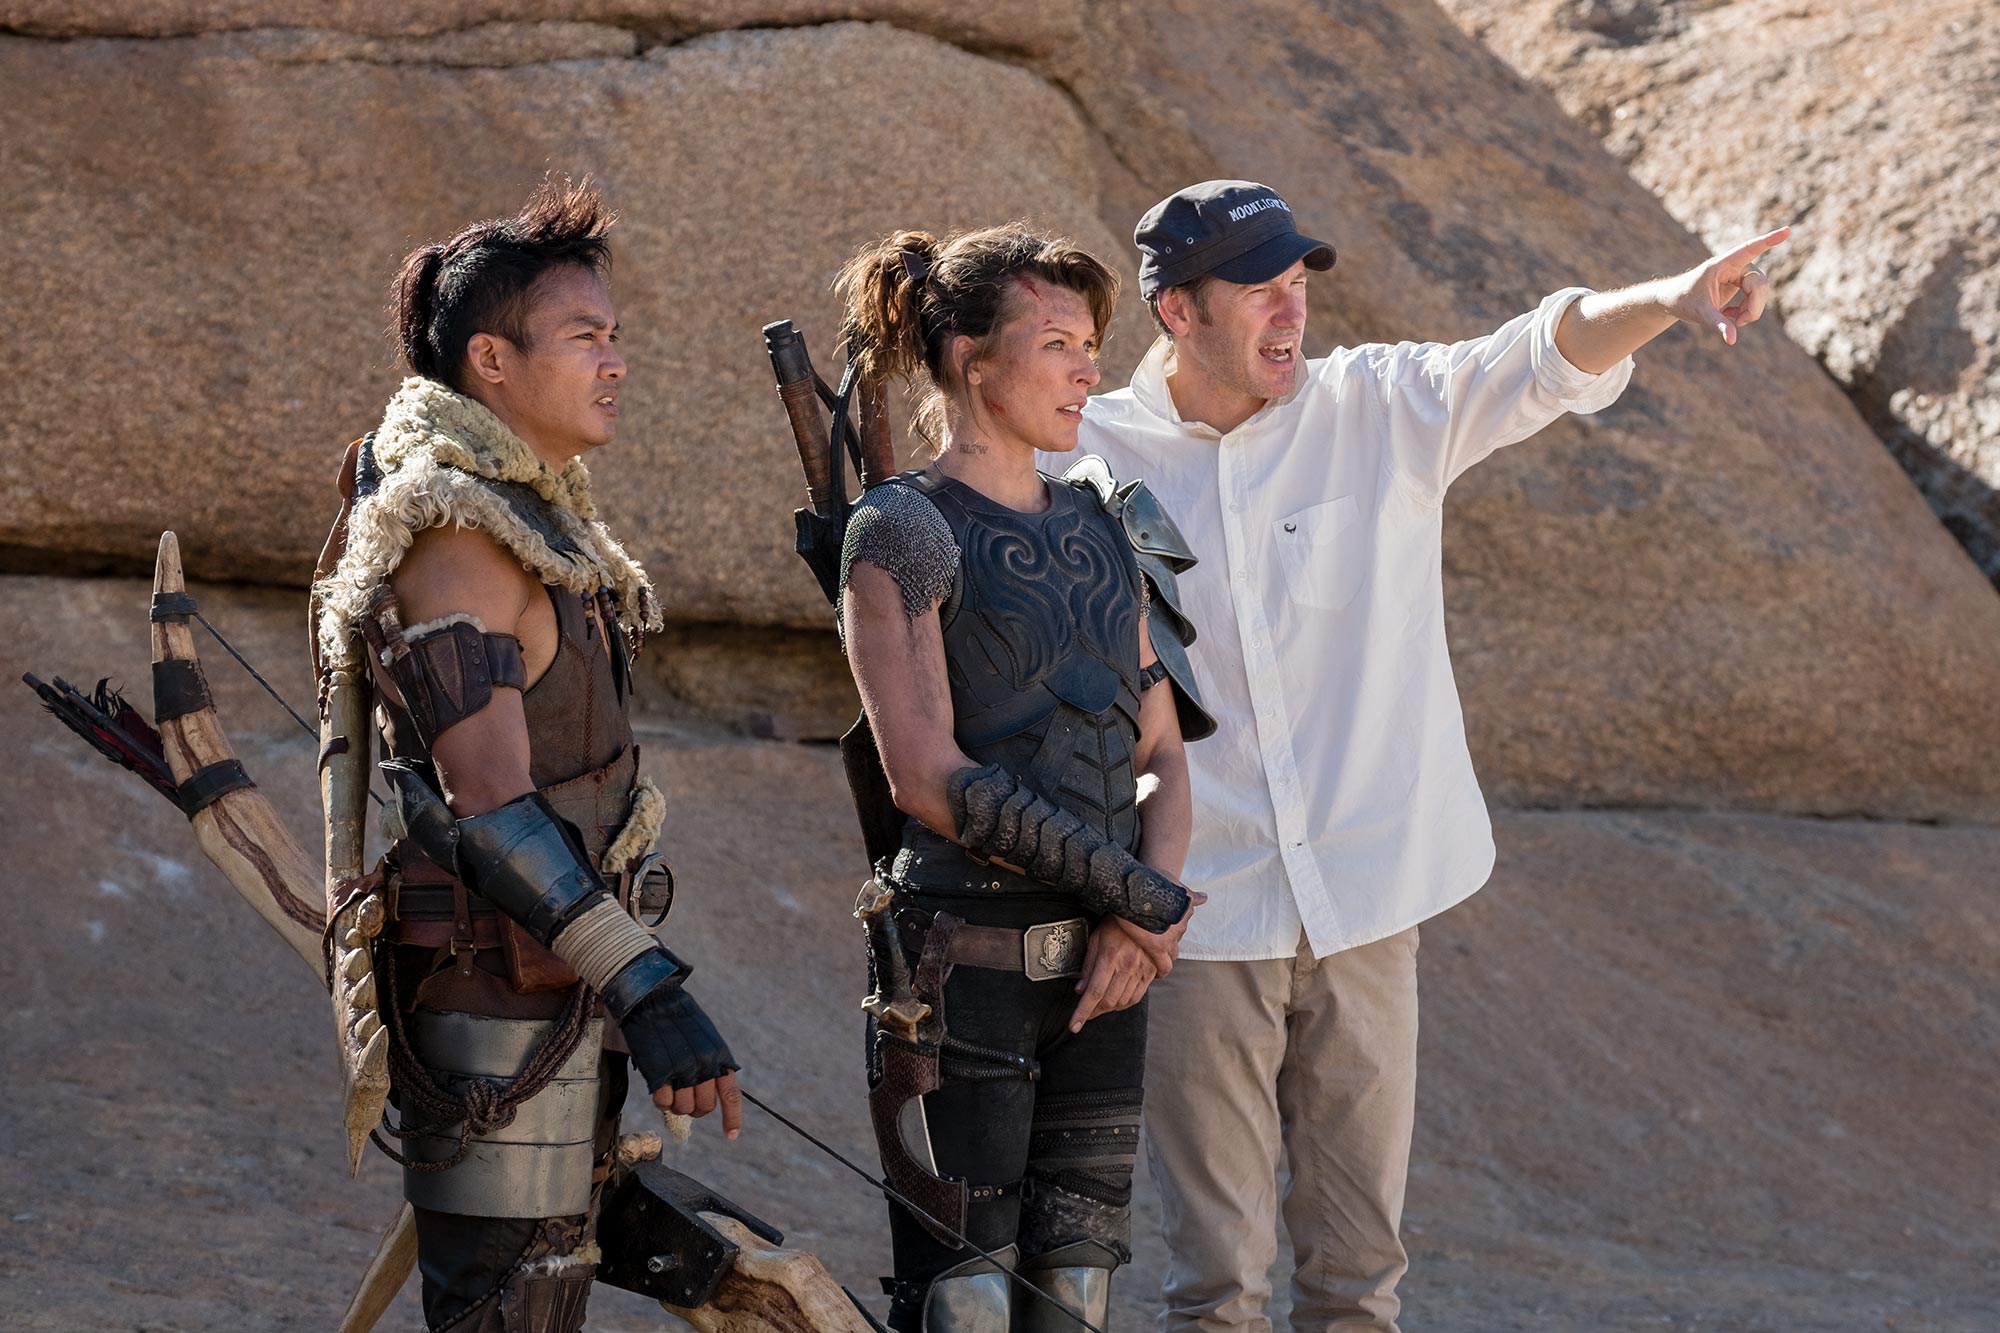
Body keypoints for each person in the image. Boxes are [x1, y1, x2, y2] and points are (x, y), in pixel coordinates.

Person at [1058, 180, 1787, 1331]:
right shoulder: (1084, 454)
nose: (1290, 309)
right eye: (1257, 289)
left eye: (1295, 283)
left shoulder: (1376, 406)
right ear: (1177, 310)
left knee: (1359, 1281)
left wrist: (1670, 296)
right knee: (1215, 1287)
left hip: (1365, 901)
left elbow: (1536, 352)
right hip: (1197, 918)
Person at [311, 177, 740, 1333]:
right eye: (584, 336)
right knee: (508, 1310)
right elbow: (488, 800)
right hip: (490, 999)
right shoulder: (456, 531)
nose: (615, 361)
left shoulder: (537, 523)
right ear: (491, 361)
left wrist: (620, 980)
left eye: (616, 334)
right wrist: (647, 984)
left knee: (543, 1294)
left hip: (552, 985)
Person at [830, 222, 1213, 1332]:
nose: (1087, 370)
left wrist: (1139, 921)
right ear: (969, 360)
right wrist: (1136, 893)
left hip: (1105, 976)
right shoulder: (900, 531)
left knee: (1076, 1296)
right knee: (967, 1301)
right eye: (1055, 344)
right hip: (961, 972)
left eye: (1090, 344)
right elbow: (925, 777)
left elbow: (1161, 756)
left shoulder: (1105, 523)